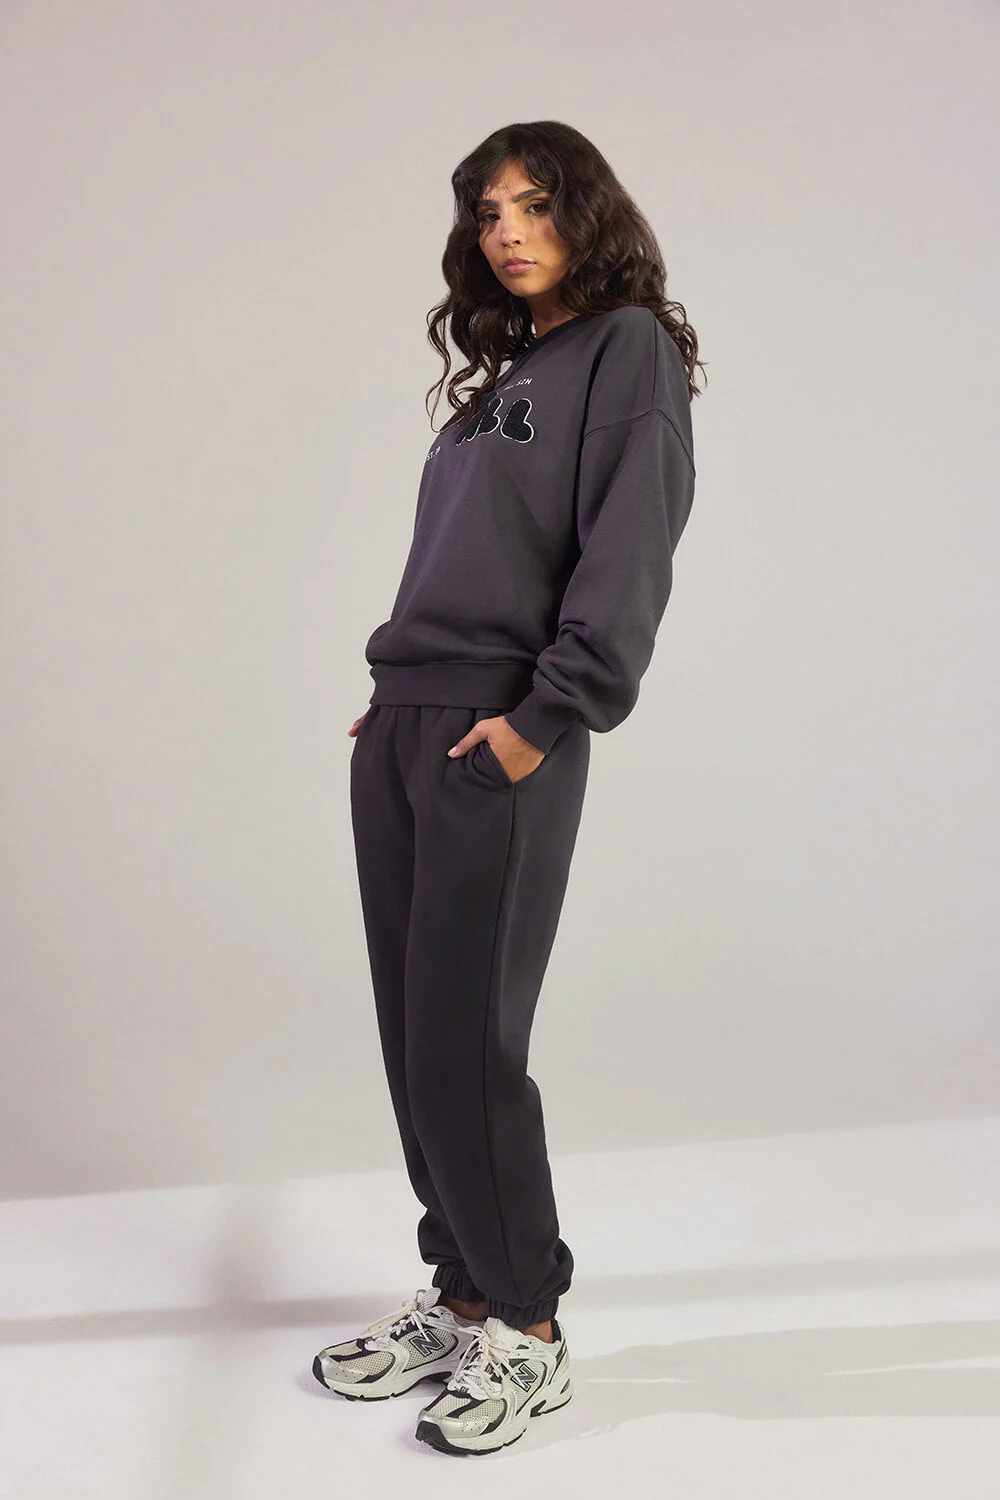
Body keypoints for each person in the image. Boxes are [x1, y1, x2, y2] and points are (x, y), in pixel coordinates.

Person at [313, 119, 703, 1457]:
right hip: (410, 723)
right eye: (489, 213)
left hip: (505, 728)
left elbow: (629, 549)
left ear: (589, 213)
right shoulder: (500, 382)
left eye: (535, 204)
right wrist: (400, 696)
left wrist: (544, 716)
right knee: (414, 1037)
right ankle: (464, 1291)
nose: (509, 231)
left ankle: (528, 1329)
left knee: (468, 1044)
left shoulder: (628, 350)